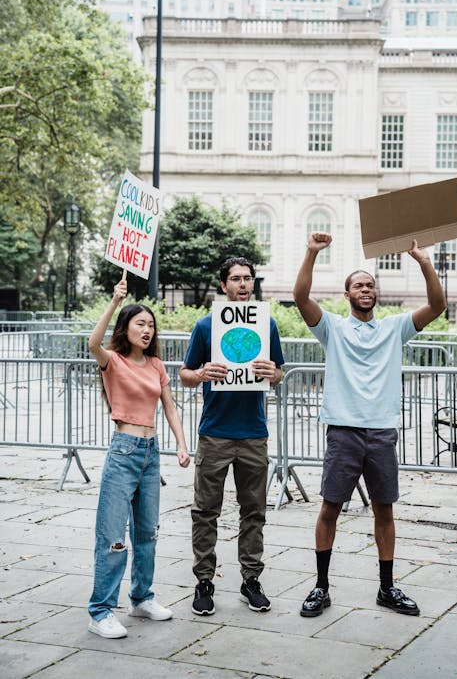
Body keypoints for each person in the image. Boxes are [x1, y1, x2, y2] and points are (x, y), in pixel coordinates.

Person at [294, 233, 446, 618]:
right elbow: (300, 298)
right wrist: (312, 253)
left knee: (384, 510)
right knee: (330, 508)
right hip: (343, 431)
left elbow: (438, 305)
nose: (366, 289)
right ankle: (321, 587)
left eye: (370, 285)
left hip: (381, 432)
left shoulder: (395, 328)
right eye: (359, 285)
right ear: (347, 295)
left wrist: (423, 262)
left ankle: (386, 588)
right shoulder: (332, 328)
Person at [180, 257, 284, 616]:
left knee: (253, 511)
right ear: (223, 285)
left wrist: (275, 373)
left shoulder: (266, 324)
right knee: (205, 511)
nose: (243, 284)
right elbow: (184, 374)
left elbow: (279, 372)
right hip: (215, 433)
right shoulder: (206, 326)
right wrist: (201, 373)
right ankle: (204, 581)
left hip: (253, 433)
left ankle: (250, 580)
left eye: (248, 279)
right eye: (236, 279)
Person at [87, 278, 190, 639]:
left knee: (148, 532)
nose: (147, 330)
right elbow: (92, 342)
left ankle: (141, 597)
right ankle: (100, 611)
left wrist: (181, 443)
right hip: (123, 452)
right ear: (126, 329)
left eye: (151, 325)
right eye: (140, 324)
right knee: (114, 536)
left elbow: (171, 408)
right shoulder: (112, 361)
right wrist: (115, 302)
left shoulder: (156, 365)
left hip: (151, 453)